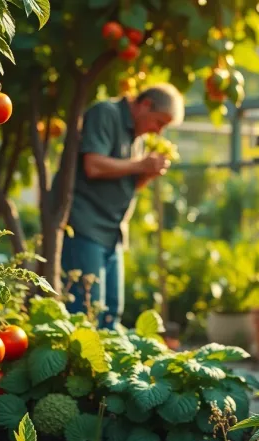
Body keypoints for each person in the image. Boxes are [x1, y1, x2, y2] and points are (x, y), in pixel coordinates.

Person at [58, 83, 184, 329]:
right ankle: (78, 367)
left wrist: (147, 173)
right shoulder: (106, 113)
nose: (157, 131)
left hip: (112, 231)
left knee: (110, 314)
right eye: (159, 122)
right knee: (86, 311)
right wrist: (140, 165)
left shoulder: (136, 135)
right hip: (86, 225)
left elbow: (124, 185)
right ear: (145, 104)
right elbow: (93, 166)